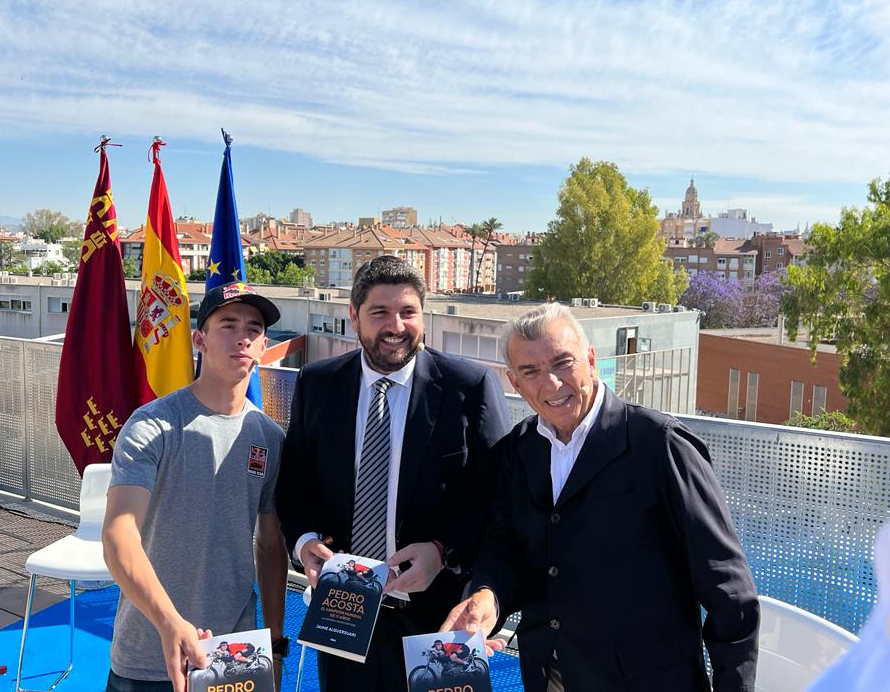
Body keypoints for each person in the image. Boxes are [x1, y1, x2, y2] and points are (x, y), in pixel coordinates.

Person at [442, 302, 759, 691]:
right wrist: (488, 595)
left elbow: (730, 591)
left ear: (590, 360)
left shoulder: (660, 445)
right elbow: (503, 545)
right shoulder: (517, 451)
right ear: (514, 383)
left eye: (563, 363)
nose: (553, 383)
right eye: (532, 372)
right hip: (550, 676)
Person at [276, 255, 510, 692]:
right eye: (379, 312)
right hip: (343, 613)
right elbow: (294, 483)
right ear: (353, 316)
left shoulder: (469, 387)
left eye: (408, 312)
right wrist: (304, 542)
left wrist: (443, 549)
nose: (396, 326)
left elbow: (497, 499)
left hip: (441, 620)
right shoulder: (317, 382)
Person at [102, 281, 289, 692]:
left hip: (235, 656)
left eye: (254, 328)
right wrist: (170, 623)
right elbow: (119, 534)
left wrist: (274, 644)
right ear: (198, 339)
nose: (243, 335)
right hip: (150, 654)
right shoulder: (153, 426)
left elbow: (271, 545)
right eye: (228, 324)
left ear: (263, 347)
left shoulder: (269, 437)